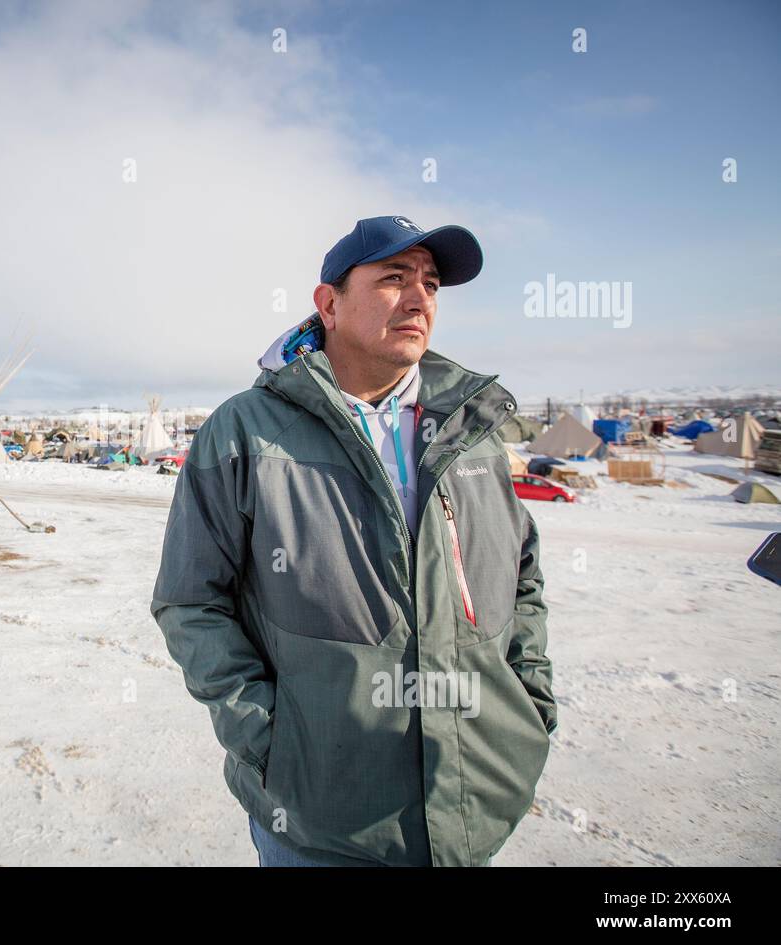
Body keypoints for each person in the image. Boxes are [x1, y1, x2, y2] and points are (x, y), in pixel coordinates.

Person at [151, 215, 556, 866]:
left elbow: (521, 574)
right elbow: (190, 601)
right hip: (320, 822)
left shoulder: (469, 430)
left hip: (470, 808)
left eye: (430, 282)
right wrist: (271, 742)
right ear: (329, 303)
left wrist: (530, 704)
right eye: (393, 279)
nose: (420, 296)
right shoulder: (248, 432)